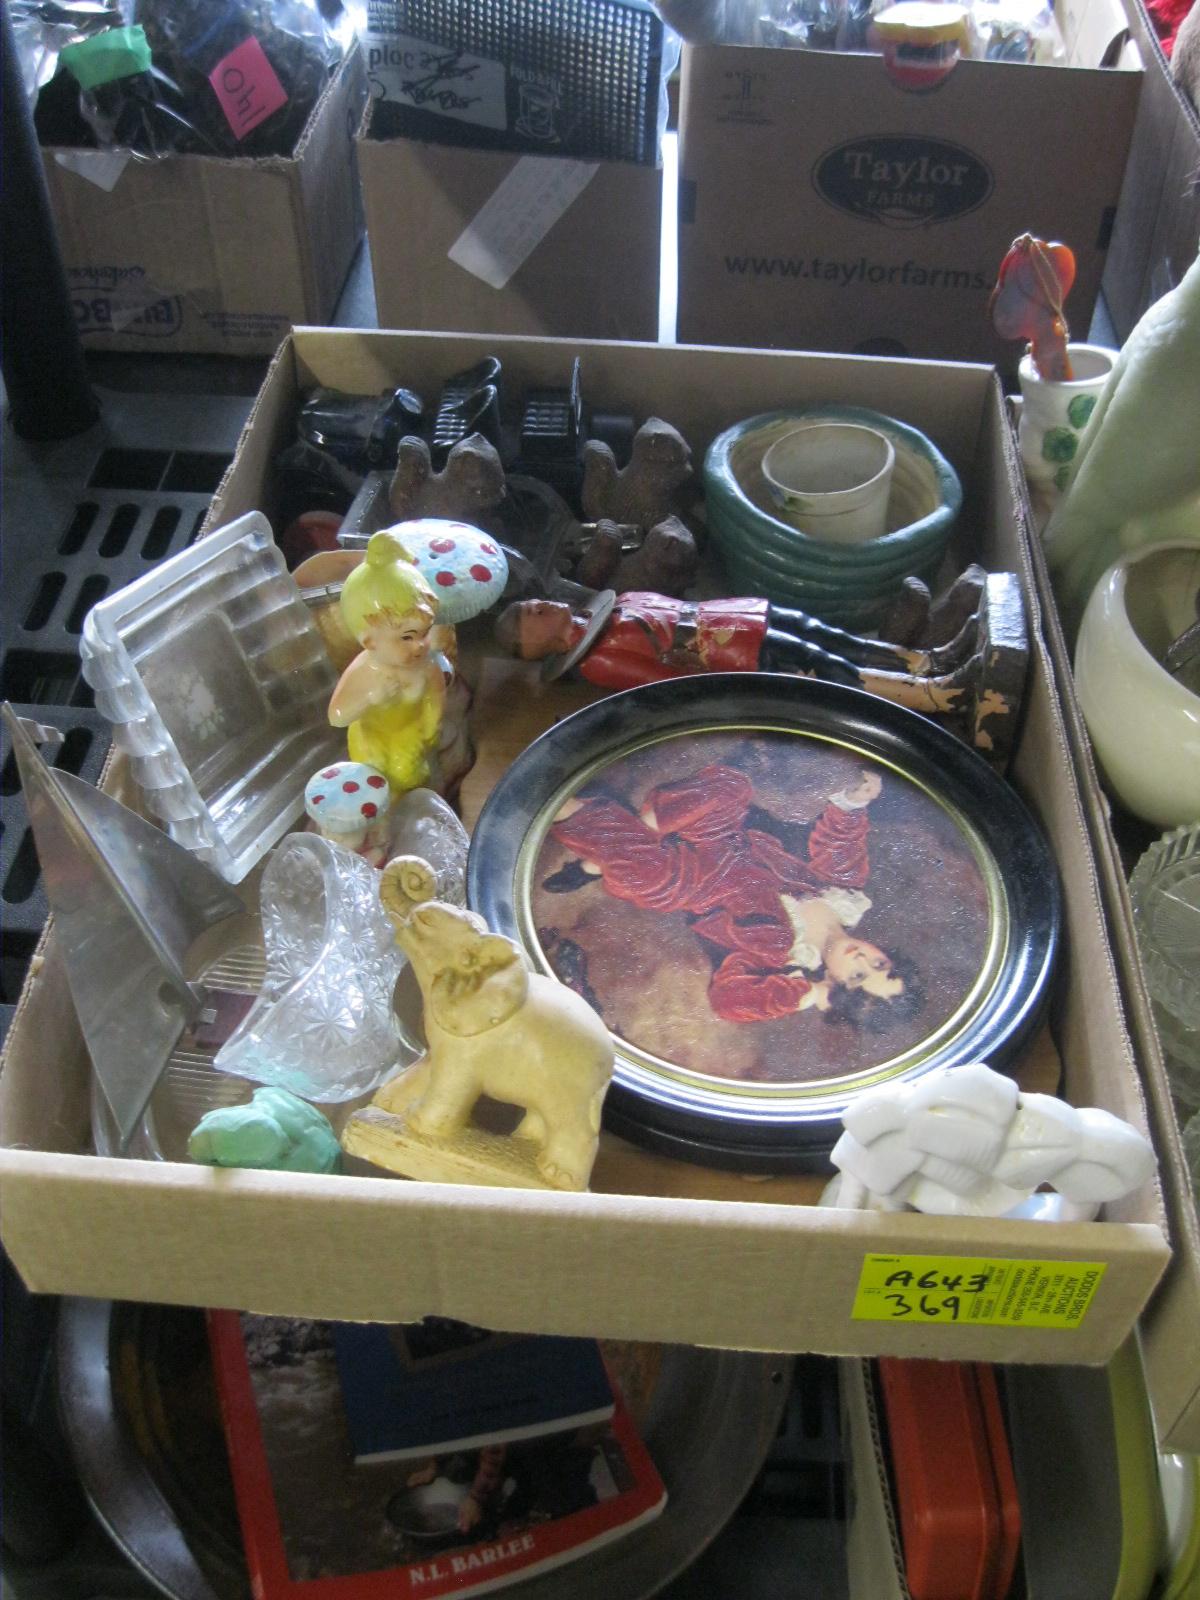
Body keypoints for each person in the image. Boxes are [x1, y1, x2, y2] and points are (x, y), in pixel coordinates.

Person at [547, 761, 923, 1030]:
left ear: (835, 988)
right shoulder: (846, 894)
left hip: (690, 881)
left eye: (857, 975)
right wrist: (855, 801)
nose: (862, 958)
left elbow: (727, 1003)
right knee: (730, 786)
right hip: (725, 840)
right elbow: (840, 842)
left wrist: (808, 995)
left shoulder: (778, 959)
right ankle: (622, 845)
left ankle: (575, 818)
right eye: (880, 963)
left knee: (647, 876)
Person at [493, 589, 982, 705]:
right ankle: (935, 694)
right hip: (730, 655)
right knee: (824, 664)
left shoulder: (608, 607)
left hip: (737, 617)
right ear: (537, 644)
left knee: (830, 636)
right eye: (533, 613)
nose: (541, 604)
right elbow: (665, 681)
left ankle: (926, 661)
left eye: (533, 603)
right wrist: (729, 689)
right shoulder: (599, 660)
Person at [328, 531, 446, 796]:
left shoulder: (426, 666)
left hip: (408, 732)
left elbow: (435, 695)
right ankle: (381, 811)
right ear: (370, 642)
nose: (420, 645)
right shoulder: (364, 670)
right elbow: (337, 717)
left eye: (424, 633)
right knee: (373, 775)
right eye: (407, 637)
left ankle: (407, 805)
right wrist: (370, 698)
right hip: (372, 738)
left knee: (409, 775)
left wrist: (432, 723)